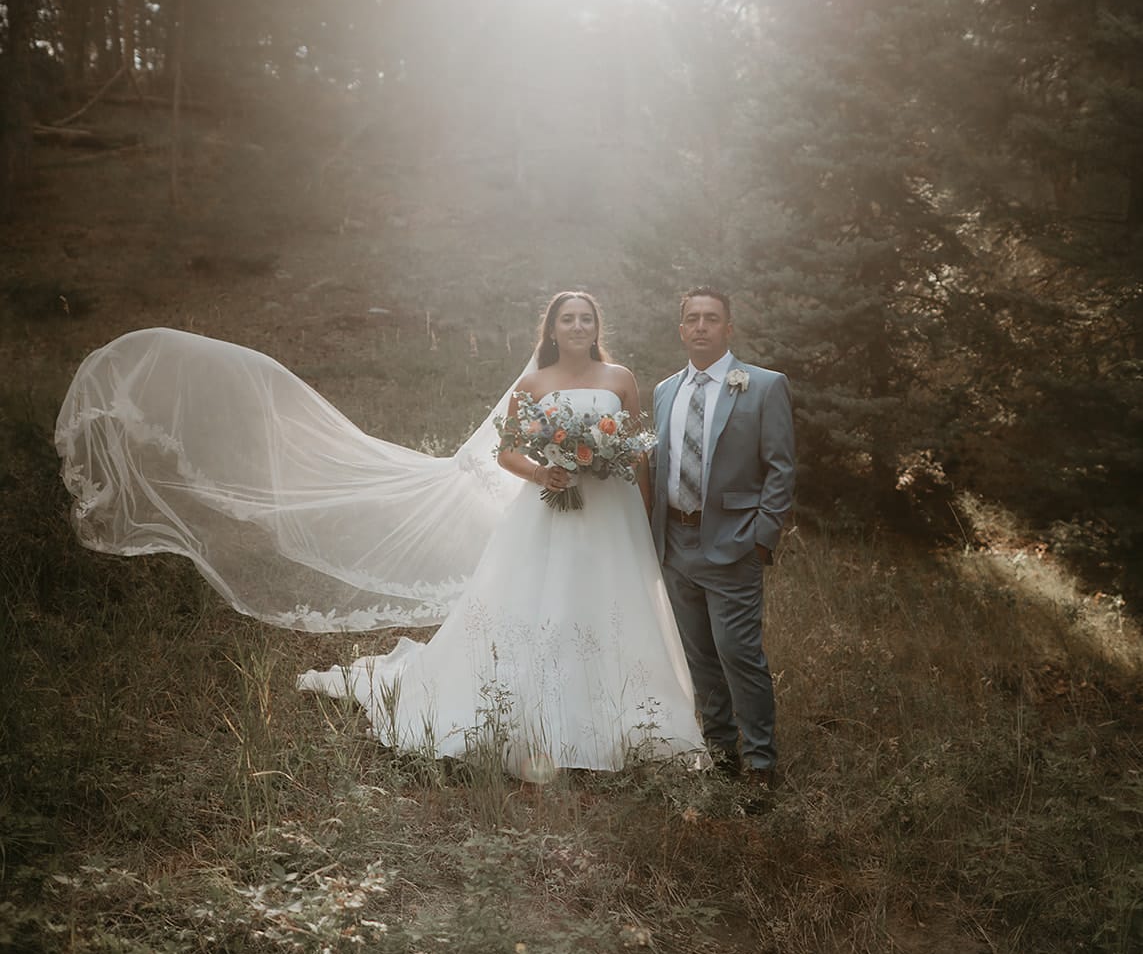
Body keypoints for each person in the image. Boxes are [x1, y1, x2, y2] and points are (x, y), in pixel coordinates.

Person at [55, 296, 706, 777]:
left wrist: (639, 510)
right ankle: (542, 722)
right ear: (552, 328)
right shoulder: (534, 384)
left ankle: (632, 721)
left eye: (586, 319)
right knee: (547, 602)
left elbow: (636, 451)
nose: (578, 328)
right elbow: (508, 453)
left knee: (611, 602)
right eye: (568, 319)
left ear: (597, 328)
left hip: (611, 511)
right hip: (551, 503)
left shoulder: (619, 379)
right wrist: (547, 471)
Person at [650, 288, 795, 793]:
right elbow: (660, 462)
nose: (701, 327)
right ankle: (720, 750)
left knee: (739, 653)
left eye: (712, 318)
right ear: (681, 328)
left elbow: (780, 467)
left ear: (729, 327)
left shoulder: (762, 386)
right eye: (692, 318)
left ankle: (759, 762)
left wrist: (762, 537)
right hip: (675, 543)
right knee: (700, 657)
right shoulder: (665, 390)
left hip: (734, 543)